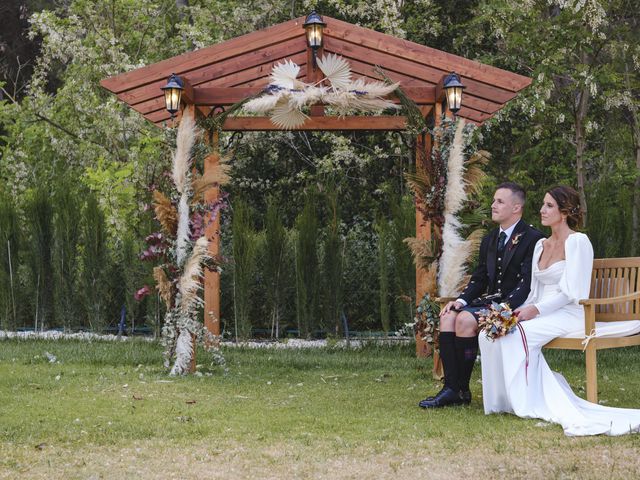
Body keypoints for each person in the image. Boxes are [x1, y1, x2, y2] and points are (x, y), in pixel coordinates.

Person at [479, 185, 640, 436]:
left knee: (518, 334)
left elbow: (572, 293)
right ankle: (502, 401)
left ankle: (528, 402)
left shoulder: (578, 242)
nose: (542, 210)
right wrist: (511, 313)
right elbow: (534, 290)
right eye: (543, 204)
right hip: (542, 311)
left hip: (571, 313)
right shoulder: (540, 245)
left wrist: (535, 311)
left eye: (549, 206)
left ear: (564, 212)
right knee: (490, 332)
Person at [419, 182, 544, 408]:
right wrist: (459, 301)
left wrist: (502, 309)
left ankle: (460, 389)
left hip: (513, 306)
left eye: (500, 201)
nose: (493, 205)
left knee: (465, 320)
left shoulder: (532, 238)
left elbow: (527, 283)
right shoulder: (490, 239)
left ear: (516, 208)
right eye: (494, 200)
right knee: (448, 316)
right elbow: (479, 279)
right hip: (488, 302)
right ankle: (452, 388)